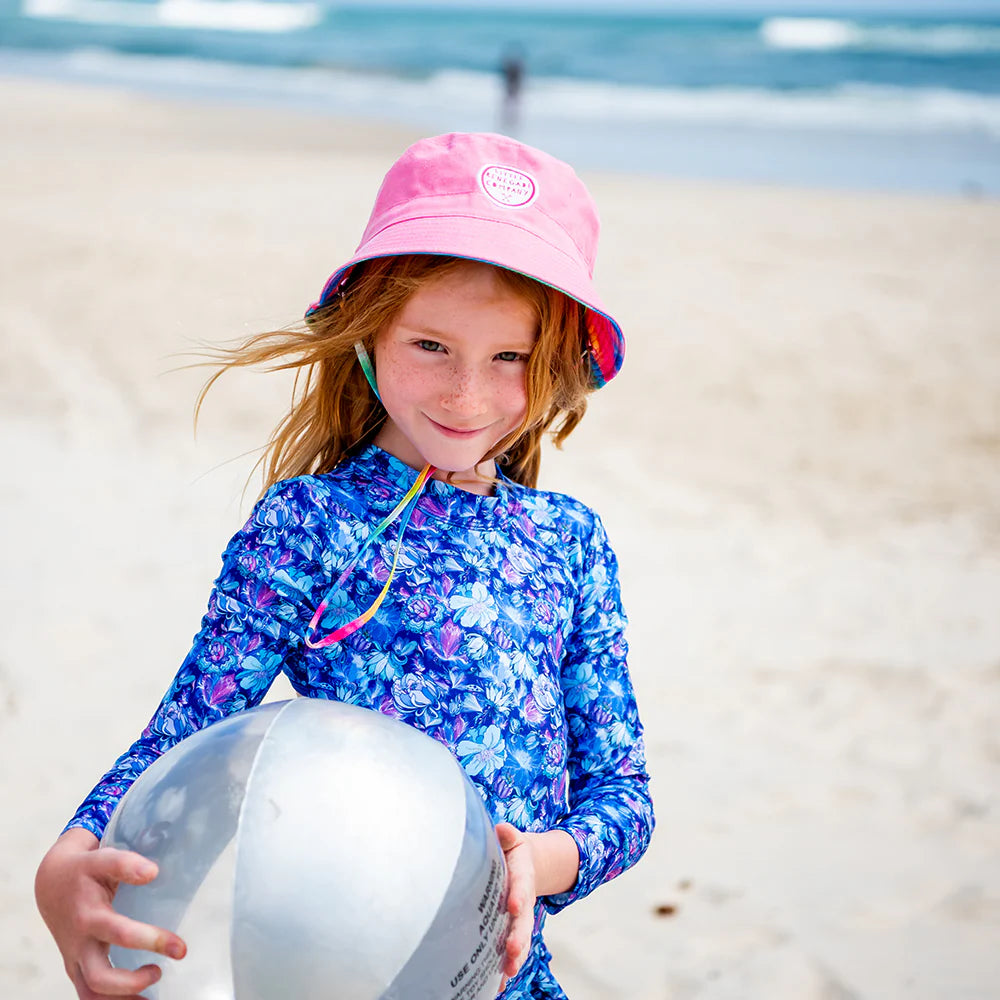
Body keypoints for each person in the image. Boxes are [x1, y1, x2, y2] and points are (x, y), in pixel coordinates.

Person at [35, 131, 655, 999]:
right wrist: (69, 856)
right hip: (331, 969)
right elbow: (188, 728)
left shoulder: (571, 542)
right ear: (366, 334)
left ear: (555, 366)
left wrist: (540, 862)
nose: (465, 394)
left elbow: (623, 796)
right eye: (430, 346)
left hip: (508, 976)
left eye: (508, 357)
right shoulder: (308, 522)